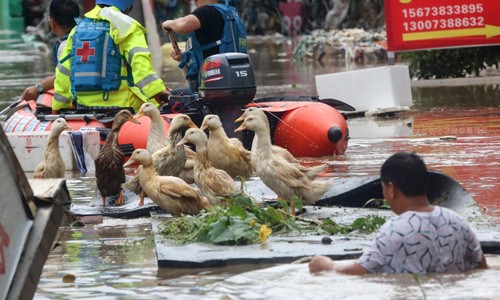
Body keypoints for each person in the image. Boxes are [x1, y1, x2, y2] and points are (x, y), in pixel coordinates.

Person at [309, 152, 488, 275]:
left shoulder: (394, 231)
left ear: (391, 189)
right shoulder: (458, 222)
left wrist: (327, 266)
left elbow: (359, 272)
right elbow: (481, 267)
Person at [53, 0, 169, 114]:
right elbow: (141, 66)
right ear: (128, 8)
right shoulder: (128, 27)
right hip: (124, 105)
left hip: (85, 106)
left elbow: (64, 72)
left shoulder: (77, 30)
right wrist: (157, 92)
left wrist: (59, 106)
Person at [161, 0, 247, 93]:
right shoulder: (229, 15)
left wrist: (168, 23)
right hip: (237, 88)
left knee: (166, 96)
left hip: (214, 91)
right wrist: (184, 57)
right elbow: (211, 49)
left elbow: (182, 25)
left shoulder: (207, 12)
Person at [21, 0, 80, 101]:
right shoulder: (84, 39)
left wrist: (38, 88)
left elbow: (63, 78)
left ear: (52, 23)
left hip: (74, 102)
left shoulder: (65, 46)